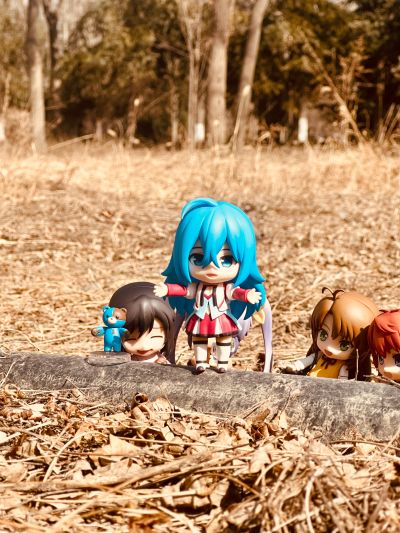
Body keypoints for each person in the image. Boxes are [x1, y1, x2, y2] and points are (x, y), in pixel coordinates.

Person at [154, 197, 269, 373]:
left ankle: (222, 361)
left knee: (224, 339)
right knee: (199, 339)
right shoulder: (196, 288)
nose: (212, 267)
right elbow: (184, 291)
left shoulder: (225, 288)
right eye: (198, 258)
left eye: (227, 259)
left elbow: (235, 293)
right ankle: (202, 361)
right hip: (201, 317)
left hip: (220, 316)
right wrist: (167, 289)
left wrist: (248, 295)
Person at [277, 288, 379, 380]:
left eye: (344, 345)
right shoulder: (319, 355)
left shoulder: (344, 367)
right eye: (323, 335)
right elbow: (306, 361)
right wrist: (295, 366)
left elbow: (343, 383)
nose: (329, 348)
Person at [109, 282, 176, 364]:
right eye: (131, 339)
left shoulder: (160, 359)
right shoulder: (127, 360)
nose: (144, 346)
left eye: (155, 337)